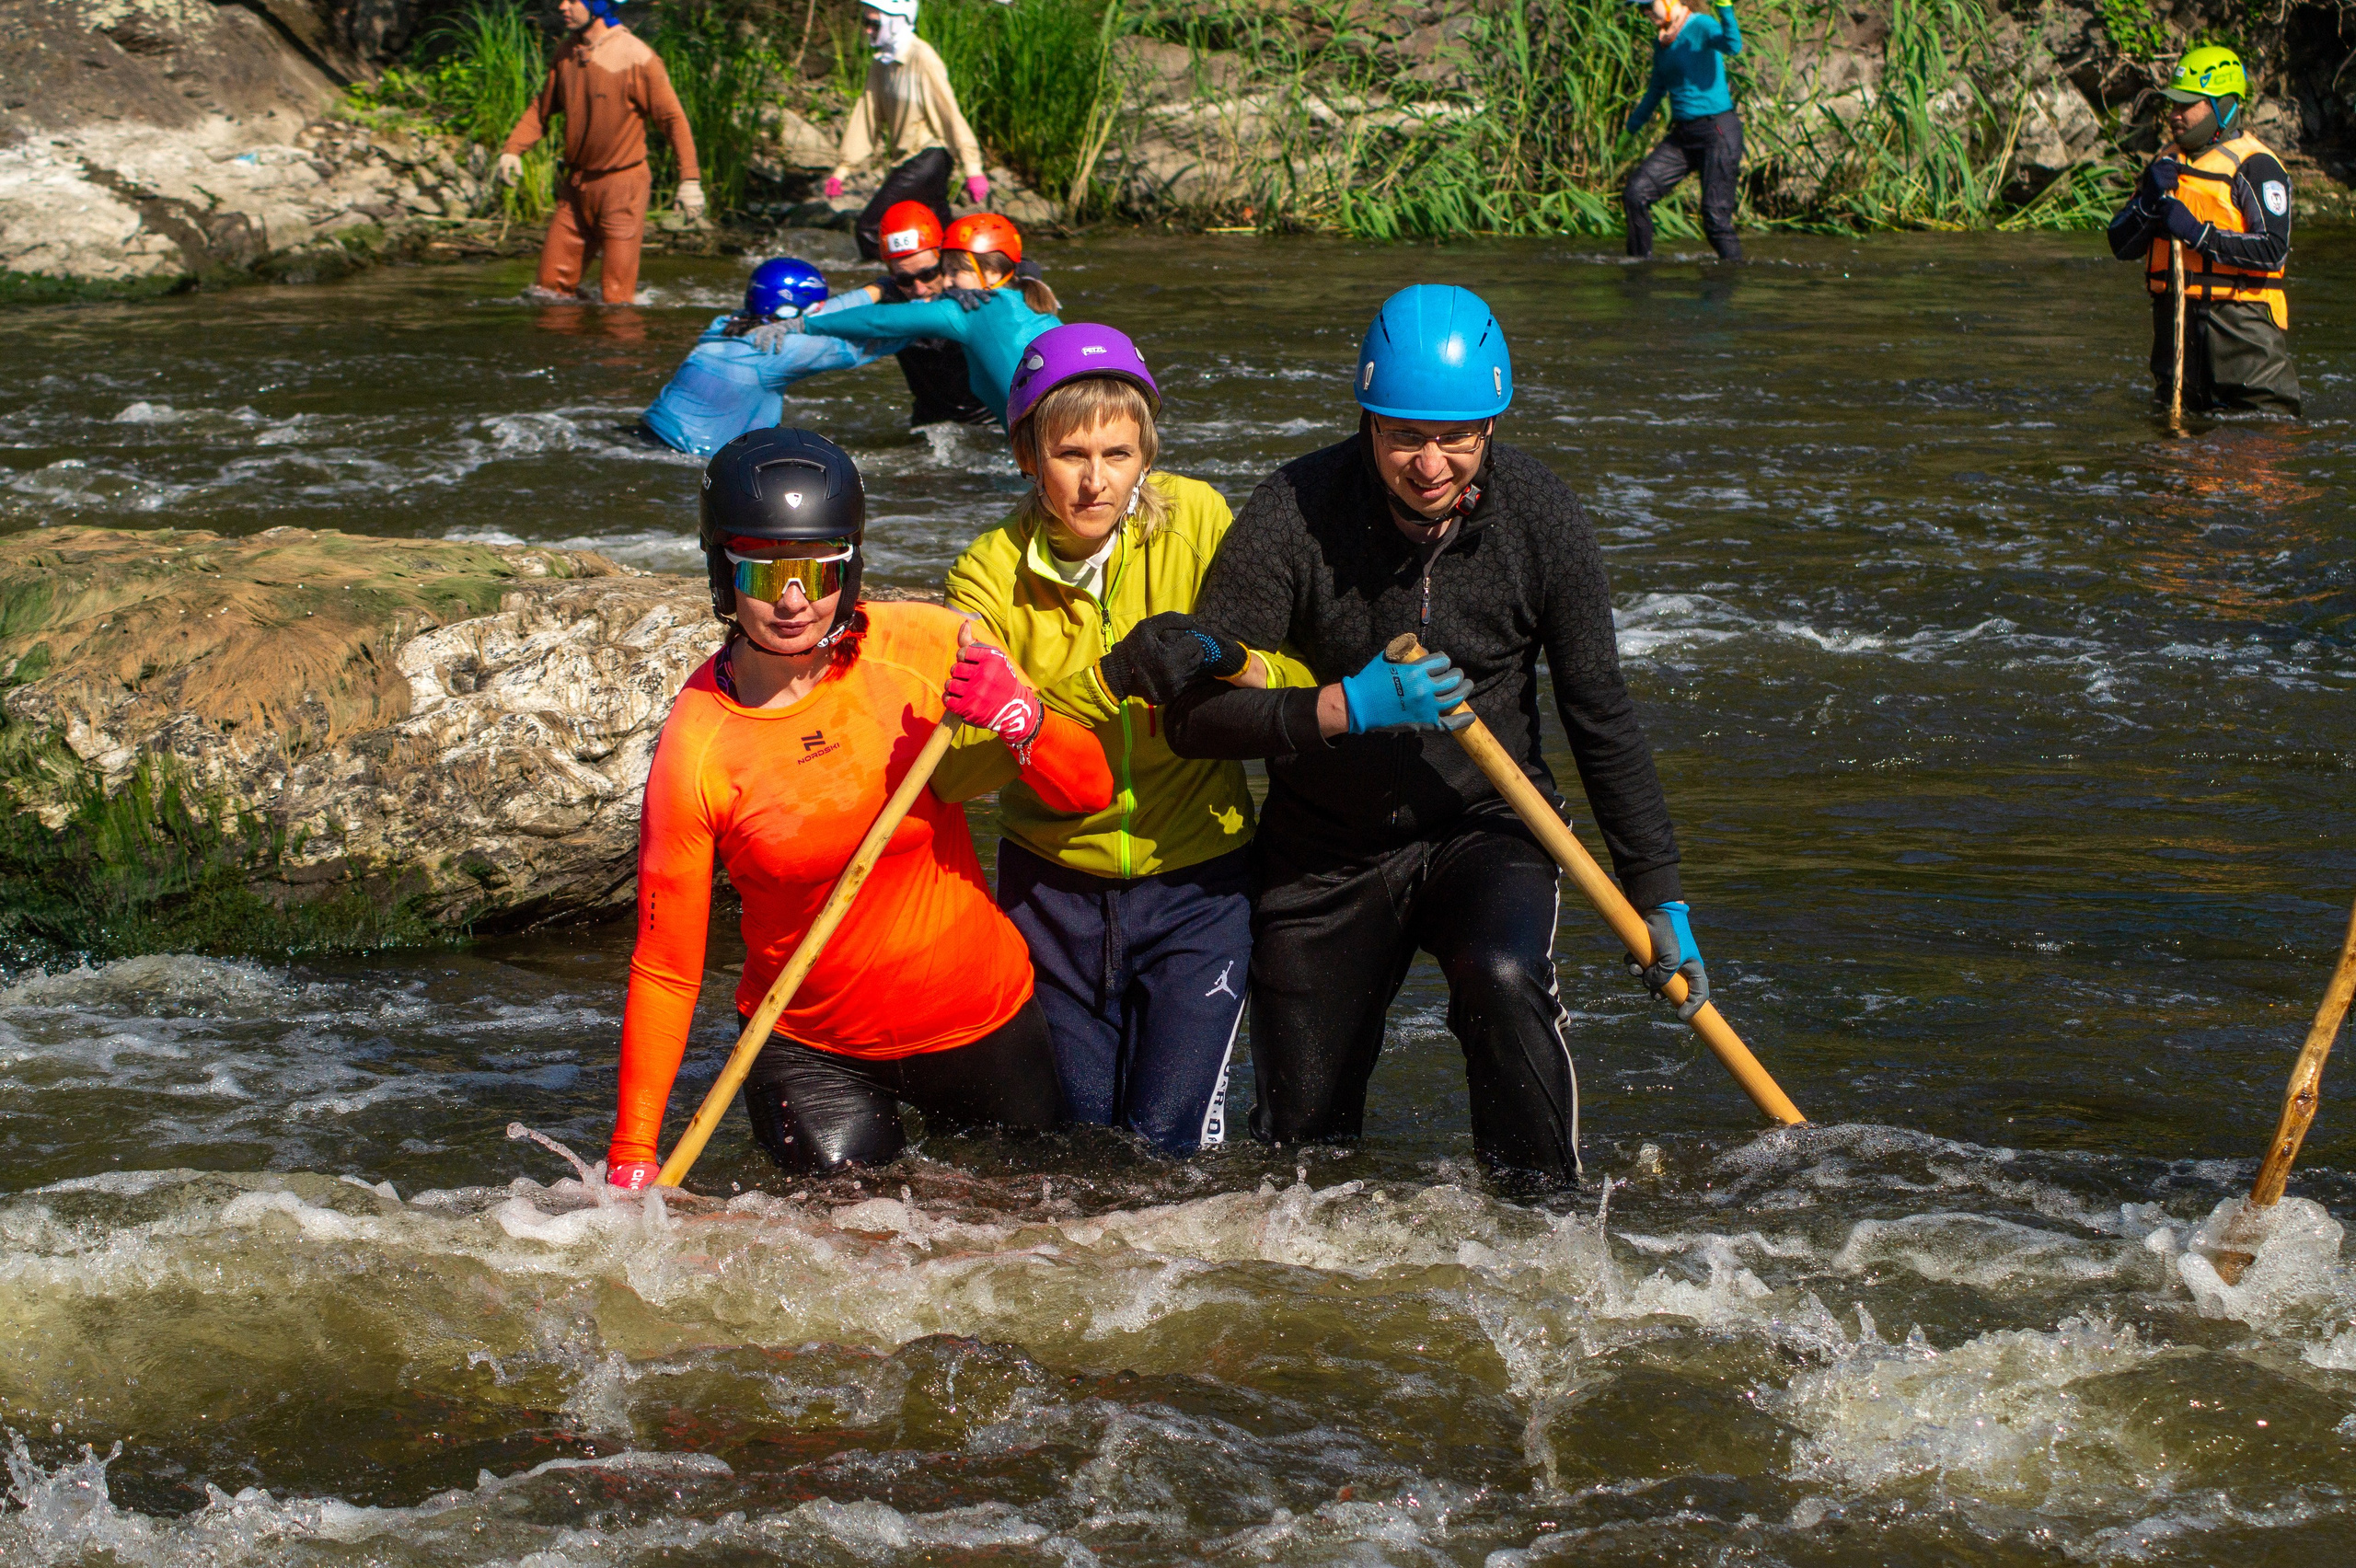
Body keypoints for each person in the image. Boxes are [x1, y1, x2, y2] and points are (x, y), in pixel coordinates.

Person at [1157, 285, 1703, 1189]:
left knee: (1502, 975)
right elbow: (1193, 718)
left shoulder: (1540, 516)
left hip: (1483, 825)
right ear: (1368, 422)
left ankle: (1542, 1217)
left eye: (1456, 437)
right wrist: (1345, 705)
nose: (1430, 463)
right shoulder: (1292, 510)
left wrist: (1658, 892)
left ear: (1489, 426)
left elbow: (1599, 712)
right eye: (1405, 435)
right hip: (1324, 846)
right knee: (1300, 1150)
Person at [606, 427, 1114, 1187]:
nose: (793, 601)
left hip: (981, 1021)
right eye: (765, 572)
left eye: (818, 572)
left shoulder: (927, 647)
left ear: (850, 567)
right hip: (811, 1050)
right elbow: (667, 967)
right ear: (722, 572)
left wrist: (1024, 720)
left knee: (1020, 1228)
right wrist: (632, 1151)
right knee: (845, 1241)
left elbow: (1090, 791)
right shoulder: (697, 747)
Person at [944, 325, 1313, 1156]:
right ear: (1026, 455)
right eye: (1070, 454)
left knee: (1168, 1152)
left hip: (1199, 887)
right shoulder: (983, 576)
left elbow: (1298, 676)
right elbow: (958, 775)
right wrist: (1105, 683)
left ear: (1147, 452)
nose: (1096, 481)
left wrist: (1236, 660)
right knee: (1079, 1150)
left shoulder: (1200, 519)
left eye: (1118, 454)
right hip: (1050, 896)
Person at [2107, 45, 2298, 416]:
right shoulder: (2165, 162)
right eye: (2173, 105)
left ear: (2222, 106)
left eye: (2187, 105)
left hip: (2242, 342)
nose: (2174, 115)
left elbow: (2273, 250)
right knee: (2173, 438)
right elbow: (2120, 244)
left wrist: (2198, 234)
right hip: (2178, 344)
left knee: (2258, 439)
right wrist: (2147, 200)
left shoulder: (2256, 166)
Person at [496, 0, 702, 306]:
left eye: (573, 0)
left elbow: (673, 119)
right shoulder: (567, 52)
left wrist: (690, 180)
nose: (562, 6)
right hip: (576, 188)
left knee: (617, 300)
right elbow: (542, 107)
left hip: (622, 188)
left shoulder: (637, 56)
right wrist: (513, 150)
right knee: (548, 293)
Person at [780, 213, 1060, 428]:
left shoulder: (970, 306)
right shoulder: (1030, 294)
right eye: (904, 279)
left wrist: (804, 325)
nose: (920, 287)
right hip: (948, 427)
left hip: (1007, 431)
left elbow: (878, 321)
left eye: (932, 273)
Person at [640, 258, 909, 457]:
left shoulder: (725, 325)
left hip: (644, 438)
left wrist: (880, 288)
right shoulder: (779, 349)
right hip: (683, 455)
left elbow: (819, 313)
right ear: (789, 312)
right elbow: (870, 341)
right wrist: (929, 313)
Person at [825, 0, 988, 264]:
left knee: (870, 227)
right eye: (865, 22)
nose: (867, 30)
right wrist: (843, 169)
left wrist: (973, 168)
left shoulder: (923, 58)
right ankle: (961, 271)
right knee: (941, 232)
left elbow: (950, 113)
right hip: (908, 158)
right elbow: (867, 115)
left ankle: (893, 281)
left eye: (873, 23)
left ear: (896, 21)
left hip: (930, 156)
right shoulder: (881, 64)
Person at [1622, 0, 1745, 262]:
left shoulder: (1701, 25)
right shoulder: (1663, 41)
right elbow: (1656, 90)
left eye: (1648, 5)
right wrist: (1630, 129)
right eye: (1640, 8)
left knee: (1715, 219)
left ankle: (1732, 278)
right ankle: (1638, 270)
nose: (1645, 12)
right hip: (1684, 136)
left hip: (1717, 132)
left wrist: (1724, 8)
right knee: (1635, 193)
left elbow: (1733, 46)